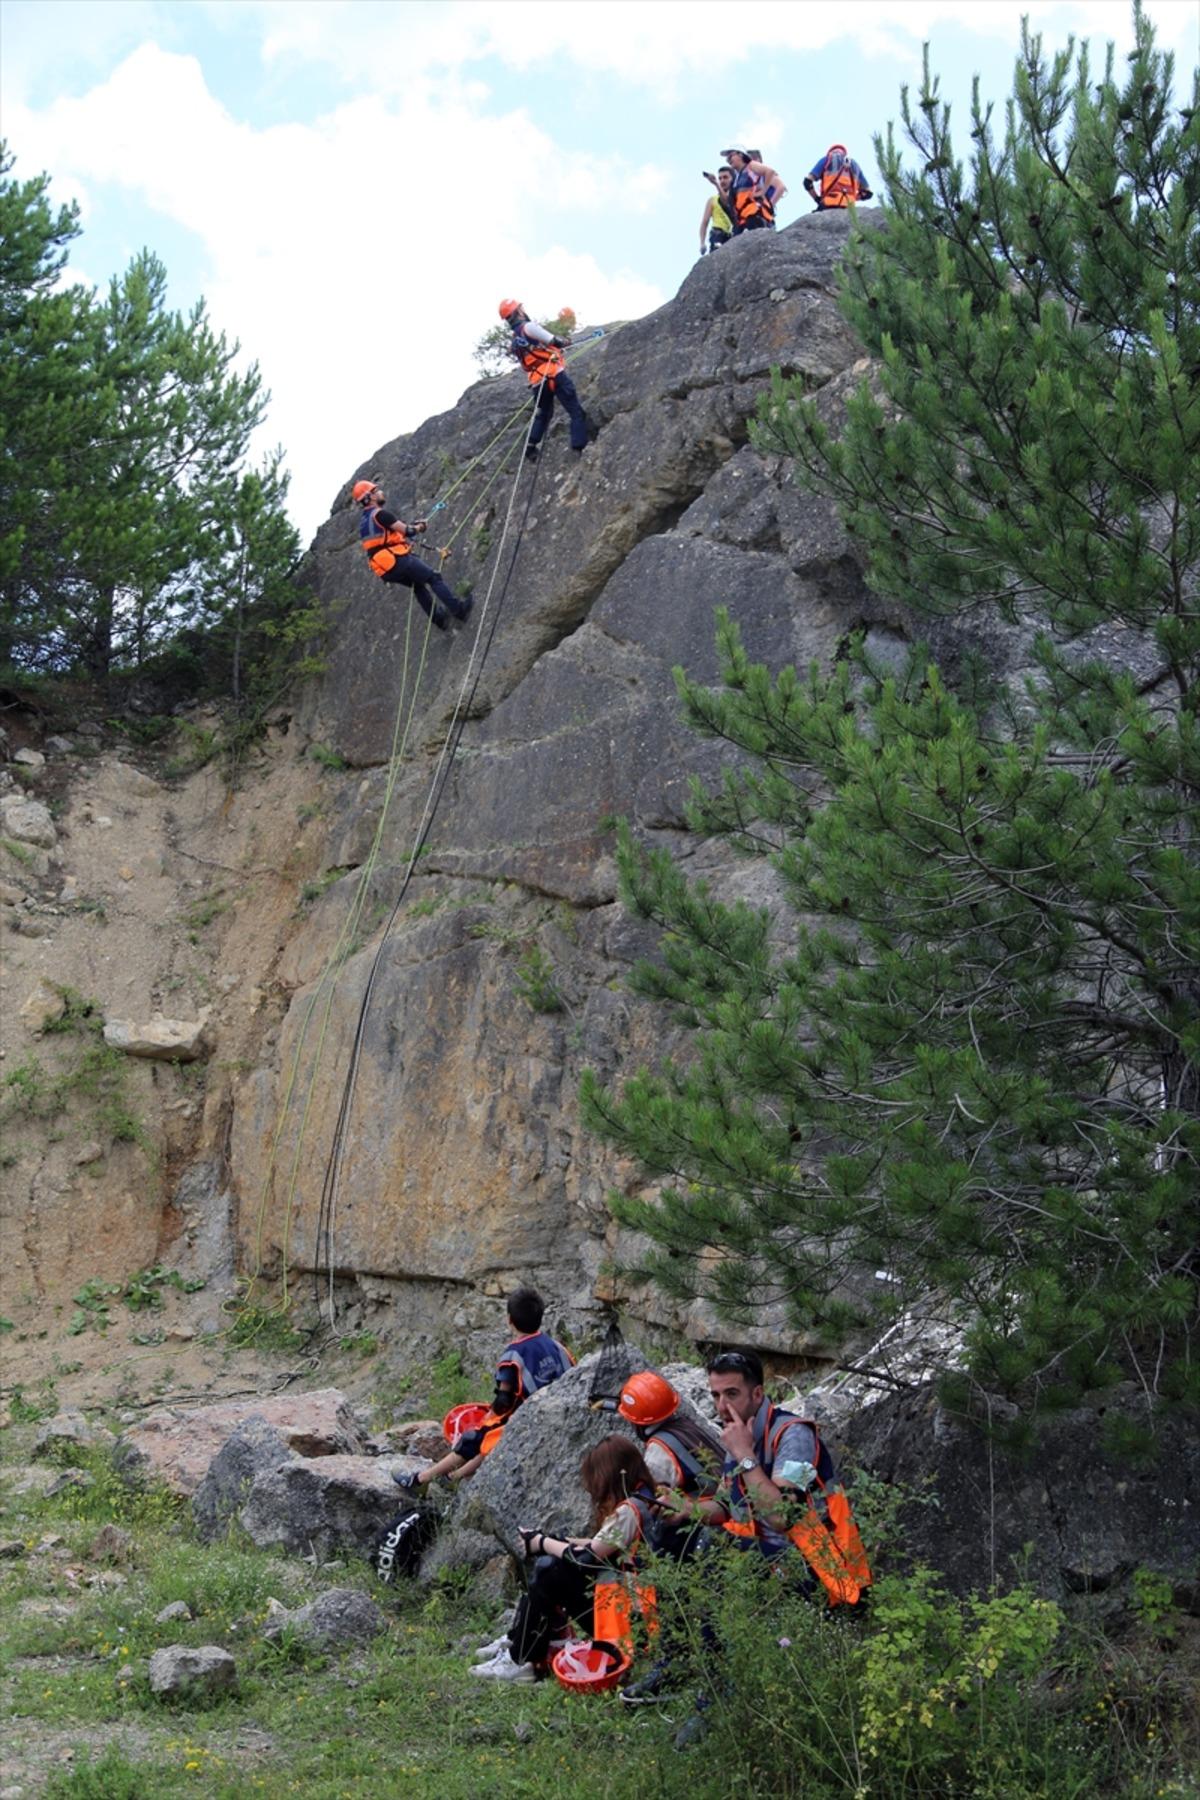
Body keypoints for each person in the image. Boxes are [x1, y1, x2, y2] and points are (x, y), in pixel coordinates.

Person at [470, 1436, 661, 1681]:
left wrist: (541, 1543)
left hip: (628, 1625)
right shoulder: (645, 1498)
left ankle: (521, 1657)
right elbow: (604, 1546)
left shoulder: (628, 1512)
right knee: (551, 1566)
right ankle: (520, 1642)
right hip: (635, 1617)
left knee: (550, 1570)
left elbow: (587, 1558)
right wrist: (556, 1541)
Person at [702, 1348, 871, 1604]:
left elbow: (781, 1515)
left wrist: (744, 1455)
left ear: (757, 1394)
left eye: (732, 1394)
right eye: (716, 1395)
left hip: (826, 1570)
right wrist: (683, 1509)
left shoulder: (795, 1436)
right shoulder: (739, 1434)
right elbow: (726, 1505)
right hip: (769, 1561)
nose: (722, 1406)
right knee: (698, 1542)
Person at [394, 1286, 574, 1494]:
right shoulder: (557, 1346)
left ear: (510, 1320)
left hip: (531, 1420)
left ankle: (420, 1479)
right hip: (560, 1415)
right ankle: (452, 1478)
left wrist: (488, 1416)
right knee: (492, 1439)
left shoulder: (513, 1356)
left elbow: (504, 1400)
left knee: (475, 1437)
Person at [352, 480, 473, 631]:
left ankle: (440, 620)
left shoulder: (364, 523)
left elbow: (386, 537)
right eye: (376, 491)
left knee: (418, 586)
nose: (381, 492)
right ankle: (459, 610)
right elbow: (408, 531)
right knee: (433, 577)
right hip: (395, 559)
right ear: (370, 497)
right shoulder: (380, 514)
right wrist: (420, 527)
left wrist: (411, 529)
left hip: (384, 568)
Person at [498, 299, 591, 460]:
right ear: (518, 312)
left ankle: (530, 447)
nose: (523, 310)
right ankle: (579, 445)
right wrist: (565, 342)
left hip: (537, 380)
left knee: (543, 415)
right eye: (521, 308)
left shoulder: (514, 339)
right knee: (575, 411)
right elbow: (553, 341)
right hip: (554, 374)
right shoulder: (528, 327)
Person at [720, 147, 785, 233]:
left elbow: (770, 171)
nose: (728, 160)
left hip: (755, 215)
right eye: (727, 158)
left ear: (740, 154)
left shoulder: (751, 166)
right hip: (744, 219)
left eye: (730, 156)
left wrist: (763, 191)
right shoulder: (736, 178)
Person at [803, 144, 873, 209]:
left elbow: (807, 182)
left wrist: (817, 199)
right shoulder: (855, 165)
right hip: (849, 207)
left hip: (829, 203)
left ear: (830, 152)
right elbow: (868, 193)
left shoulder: (827, 159)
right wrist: (853, 198)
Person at [698, 167, 736, 255]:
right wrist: (702, 243)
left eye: (725, 177)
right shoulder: (713, 200)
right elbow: (704, 222)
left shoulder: (737, 197)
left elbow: (727, 201)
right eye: (720, 178)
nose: (722, 181)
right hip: (718, 234)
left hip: (733, 234)